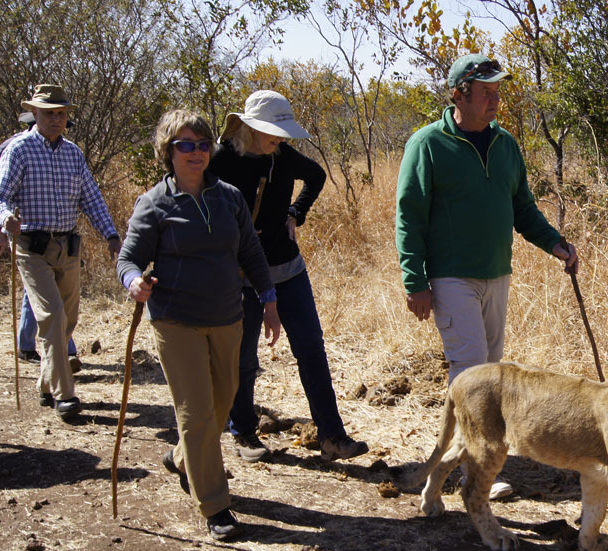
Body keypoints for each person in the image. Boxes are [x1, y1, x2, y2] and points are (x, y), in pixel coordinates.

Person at [395, 54, 579, 499]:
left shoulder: (506, 145)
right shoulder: (428, 144)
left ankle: (467, 459)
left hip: (497, 274)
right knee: (473, 372)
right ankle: (475, 473)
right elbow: (410, 215)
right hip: (450, 278)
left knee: (489, 376)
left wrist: (555, 243)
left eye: (498, 91)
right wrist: (414, 280)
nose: (496, 99)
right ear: (458, 94)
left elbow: (522, 209)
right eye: (486, 91)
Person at [117, 109, 280, 540]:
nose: (196, 153)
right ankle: (215, 505)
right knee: (195, 413)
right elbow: (128, 257)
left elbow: (250, 252)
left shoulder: (229, 197)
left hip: (228, 317)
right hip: (177, 321)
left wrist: (269, 299)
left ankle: (182, 457)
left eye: (203, 144)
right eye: (185, 145)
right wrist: (133, 281)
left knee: (222, 405)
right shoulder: (155, 204)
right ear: (168, 152)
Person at [210, 90, 369, 463]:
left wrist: (295, 212)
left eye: (282, 133)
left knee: (311, 347)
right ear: (249, 127)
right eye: (273, 132)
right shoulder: (221, 160)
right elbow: (196, 199)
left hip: (288, 270)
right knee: (244, 357)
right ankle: (244, 433)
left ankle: (332, 436)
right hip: (241, 275)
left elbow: (315, 176)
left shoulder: (281, 155)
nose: (279, 139)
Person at [0, 84, 121, 420]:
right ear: (34, 113)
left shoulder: (73, 154)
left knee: (68, 321)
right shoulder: (18, 150)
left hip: (68, 247)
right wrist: (5, 220)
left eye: (61, 113)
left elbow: (90, 198)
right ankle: (65, 395)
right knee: (52, 317)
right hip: (32, 249)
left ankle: (47, 385)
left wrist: (111, 236)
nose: (56, 119)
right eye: (49, 113)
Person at [0, 112, 79, 369]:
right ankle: (48, 349)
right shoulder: (13, 149)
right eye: (49, 117)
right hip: (23, 235)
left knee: (44, 296)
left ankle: (40, 347)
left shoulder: (67, 151)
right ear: (34, 121)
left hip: (59, 242)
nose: (58, 124)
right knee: (43, 297)